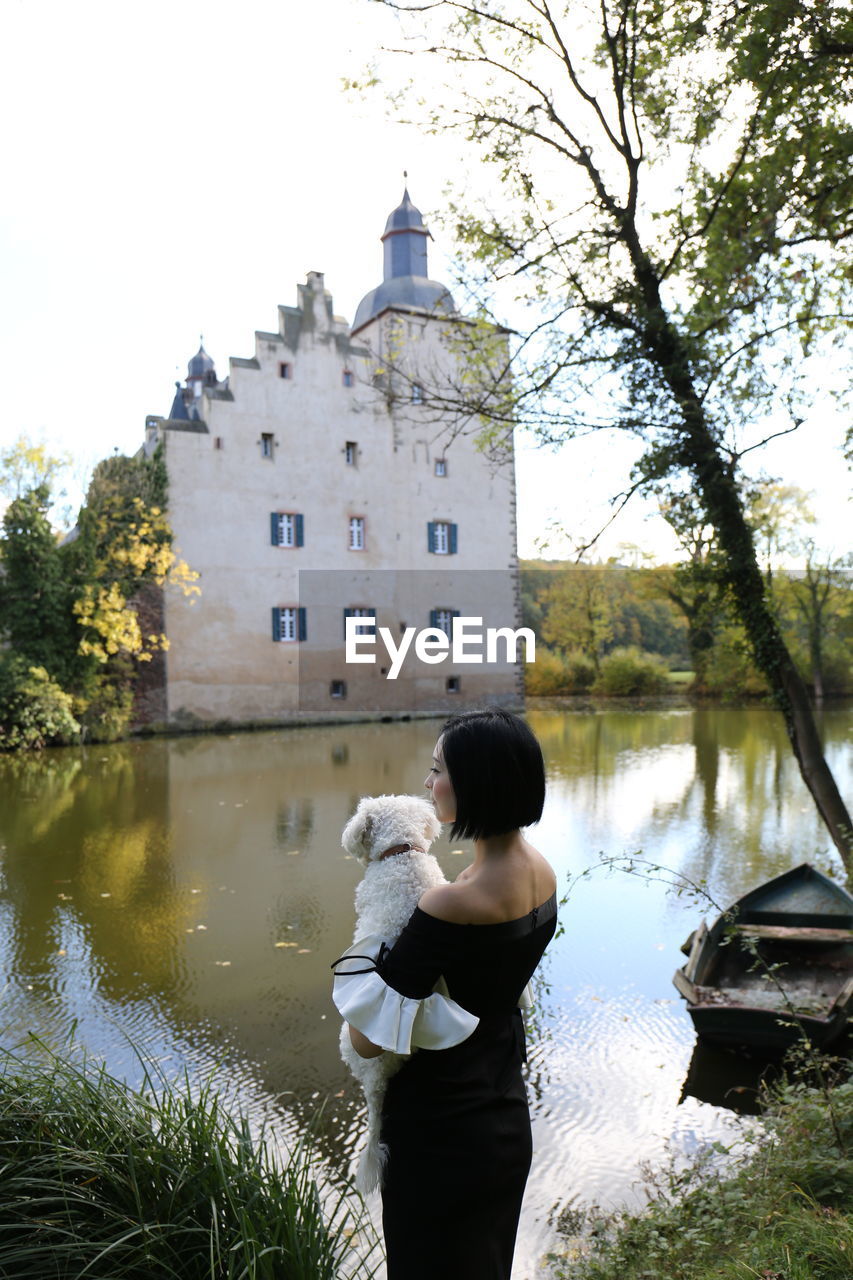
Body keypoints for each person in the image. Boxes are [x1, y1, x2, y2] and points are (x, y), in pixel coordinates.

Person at [333, 708, 557, 1280]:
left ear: (478, 782)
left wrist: (374, 951)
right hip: (503, 1111)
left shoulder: (450, 903)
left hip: (441, 1134)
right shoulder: (542, 873)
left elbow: (365, 1042)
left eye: (438, 770)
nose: (429, 785)